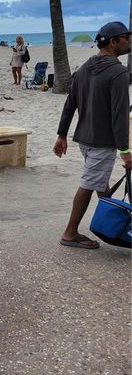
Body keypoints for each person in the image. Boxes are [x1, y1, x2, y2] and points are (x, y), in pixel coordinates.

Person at [53, 21, 131, 249]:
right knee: (89, 183)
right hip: (102, 142)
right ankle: (70, 233)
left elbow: (70, 105)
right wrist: (125, 151)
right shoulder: (119, 73)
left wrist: (62, 134)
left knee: (99, 181)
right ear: (114, 41)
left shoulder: (84, 68)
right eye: (126, 37)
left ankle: (110, 222)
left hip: (84, 139)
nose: (129, 41)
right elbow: (119, 116)